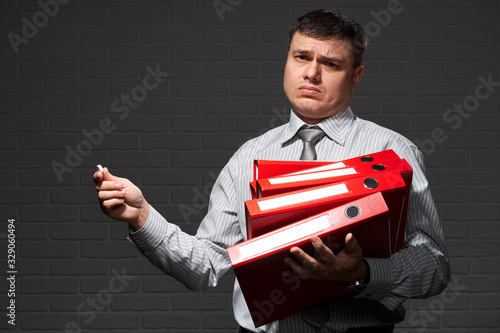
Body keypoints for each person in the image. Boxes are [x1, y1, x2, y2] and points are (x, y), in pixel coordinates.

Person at [94, 9, 450, 333]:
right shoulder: (247, 157)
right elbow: (204, 267)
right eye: (301, 57)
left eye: (330, 63)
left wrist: (363, 273)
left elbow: (434, 267)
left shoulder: (394, 152)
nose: (312, 72)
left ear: (355, 77)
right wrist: (141, 217)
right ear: (287, 62)